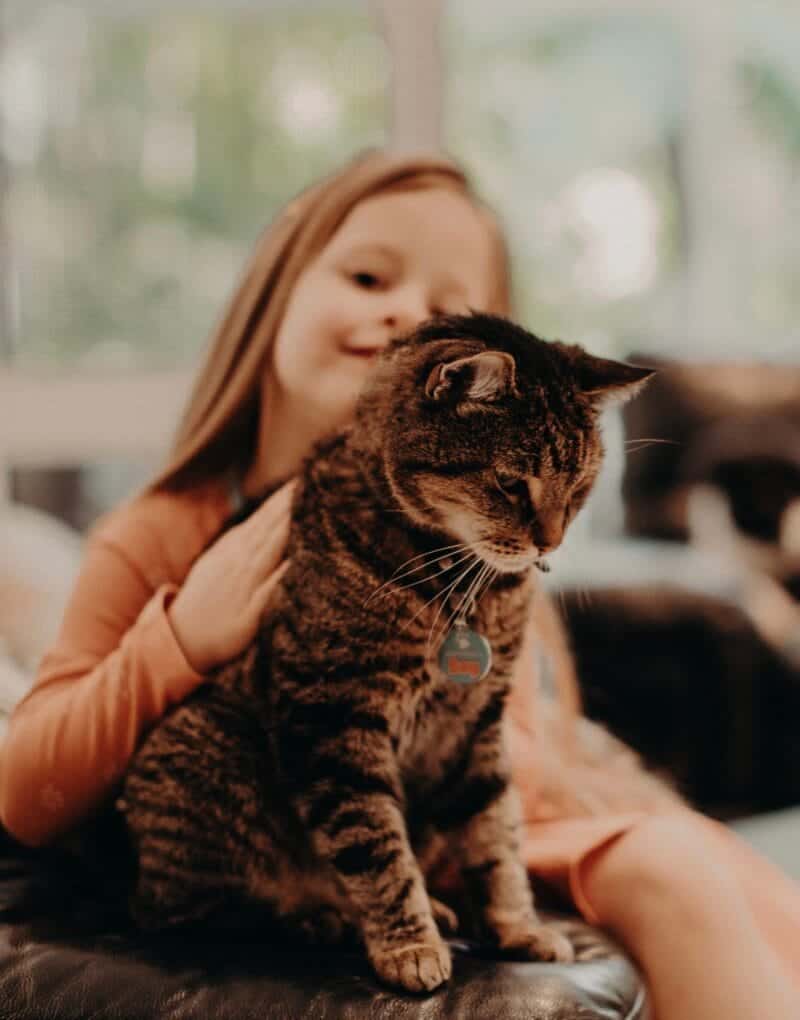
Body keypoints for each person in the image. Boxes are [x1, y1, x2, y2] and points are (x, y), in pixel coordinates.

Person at [0, 150, 798, 1019]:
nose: (406, 312)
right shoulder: (164, 529)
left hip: (486, 807)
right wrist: (181, 637)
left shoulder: (482, 525)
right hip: (348, 820)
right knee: (672, 868)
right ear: (278, 286)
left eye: (446, 304)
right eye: (369, 273)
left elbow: (501, 737)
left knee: (726, 872)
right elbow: (23, 790)